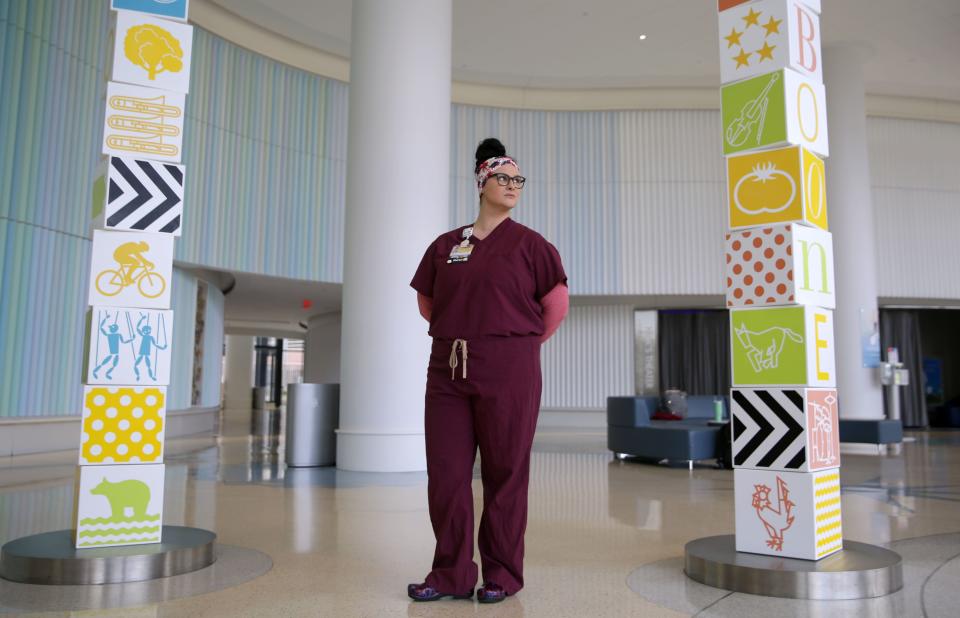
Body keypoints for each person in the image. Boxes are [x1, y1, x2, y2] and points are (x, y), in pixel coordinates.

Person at [408, 138, 569, 604]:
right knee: (447, 473)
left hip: (510, 368)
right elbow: (428, 303)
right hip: (448, 370)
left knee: (506, 472)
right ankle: (451, 574)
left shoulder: (533, 246)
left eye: (518, 179)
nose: (513, 185)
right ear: (482, 182)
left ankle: (501, 574)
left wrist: (511, 346)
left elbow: (555, 306)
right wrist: (467, 334)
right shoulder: (446, 245)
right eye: (504, 178)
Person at [92, 313, 133, 380]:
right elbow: (101, 328)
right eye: (110, 328)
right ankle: (96, 371)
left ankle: (106, 373)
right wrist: (105, 318)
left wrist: (131, 339)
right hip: (112, 353)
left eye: (111, 328)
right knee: (105, 363)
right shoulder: (110, 335)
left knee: (113, 364)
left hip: (115, 354)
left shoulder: (115, 335)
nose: (110, 329)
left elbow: (124, 341)